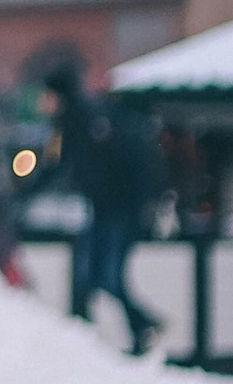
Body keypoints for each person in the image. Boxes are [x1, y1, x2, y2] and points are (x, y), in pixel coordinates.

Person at [48, 64, 163, 356]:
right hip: (104, 210)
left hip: (119, 211)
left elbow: (129, 165)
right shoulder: (74, 121)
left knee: (106, 276)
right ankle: (98, 337)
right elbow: (57, 166)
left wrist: (144, 206)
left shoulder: (90, 120)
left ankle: (141, 327)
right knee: (89, 277)